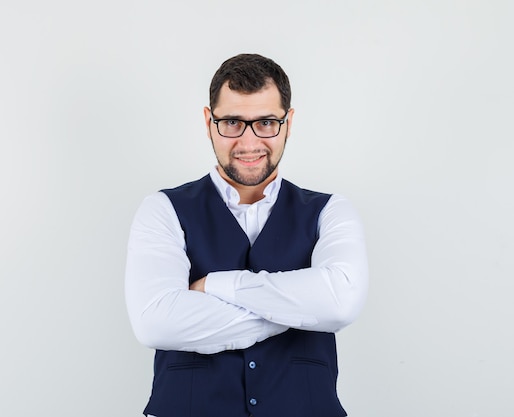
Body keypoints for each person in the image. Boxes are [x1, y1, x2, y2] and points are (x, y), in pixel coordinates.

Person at [125, 53, 369, 417]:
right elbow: (155, 323)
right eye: (232, 122)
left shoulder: (331, 211)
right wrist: (300, 307)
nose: (249, 142)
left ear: (289, 123)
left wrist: (217, 286)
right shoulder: (162, 209)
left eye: (267, 122)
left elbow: (339, 303)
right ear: (209, 121)